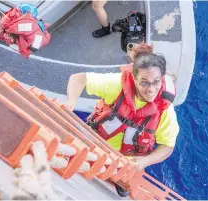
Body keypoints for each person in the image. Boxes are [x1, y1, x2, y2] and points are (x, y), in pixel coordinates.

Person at [64, 46, 179, 196]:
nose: (151, 89)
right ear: (134, 78)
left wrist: (146, 161)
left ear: (162, 79)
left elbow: (168, 145)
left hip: (126, 162)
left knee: (122, 189)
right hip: (94, 142)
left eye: (156, 82)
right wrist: (71, 102)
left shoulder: (165, 111)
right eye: (144, 82)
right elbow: (79, 78)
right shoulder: (117, 86)